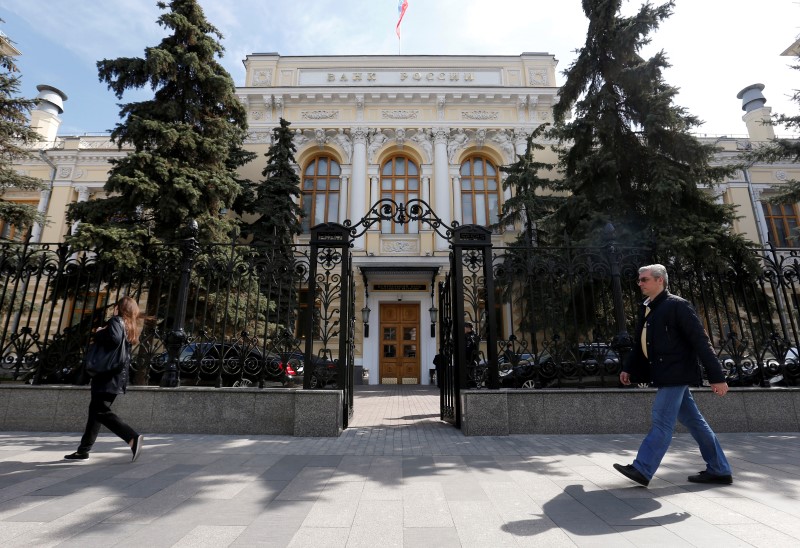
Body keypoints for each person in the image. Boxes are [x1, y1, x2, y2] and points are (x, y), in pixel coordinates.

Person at [614, 264, 732, 487]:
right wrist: (628, 368)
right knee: (694, 422)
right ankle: (719, 469)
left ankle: (642, 467)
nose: (639, 283)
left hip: (676, 373)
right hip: (665, 373)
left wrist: (717, 376)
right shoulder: (648, 307)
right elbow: (640, 343)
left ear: (660, 280)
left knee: (661, 420)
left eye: (644, 279)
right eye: (639, 279)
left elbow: (701, 341)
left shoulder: (678, 306)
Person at [65, 296, 144, 462]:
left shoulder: (116, 321)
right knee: (95, 413)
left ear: (119, 308)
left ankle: (132, 437)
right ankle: (83, 450)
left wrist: (100, 332)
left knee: (100, 412)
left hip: (106, 376)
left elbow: (113, 339)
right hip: (116, 377)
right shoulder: (130, 326)